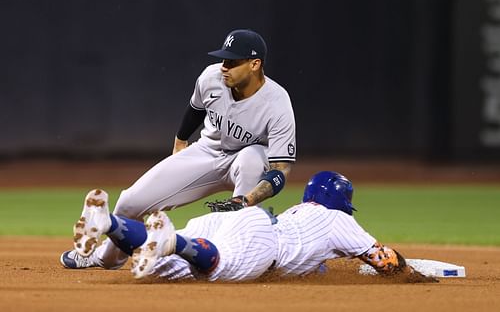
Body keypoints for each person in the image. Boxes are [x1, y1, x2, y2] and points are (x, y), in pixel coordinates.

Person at [60, 29, 296, 270]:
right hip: (207, 152)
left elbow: (280, 169)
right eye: (223, 59)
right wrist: (180, 145)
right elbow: (195, 110)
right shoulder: (211, 78)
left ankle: (238, 251)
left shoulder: (277, 103)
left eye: (233, 62)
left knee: (253, 157)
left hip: (245, 165)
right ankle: (104, 258)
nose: (224, 66)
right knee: (129, 202)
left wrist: (248, 200)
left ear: (255, 64)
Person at [129, 171, 433, 282]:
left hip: (236, 222)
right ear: (341, 201)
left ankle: (109, 224)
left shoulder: (299, 212)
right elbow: (384, 261)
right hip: (257, 241)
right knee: (214, 264)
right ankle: (174, 241)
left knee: (160, 268)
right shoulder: (339, 219)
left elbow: (311, 261)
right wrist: (411, 275)